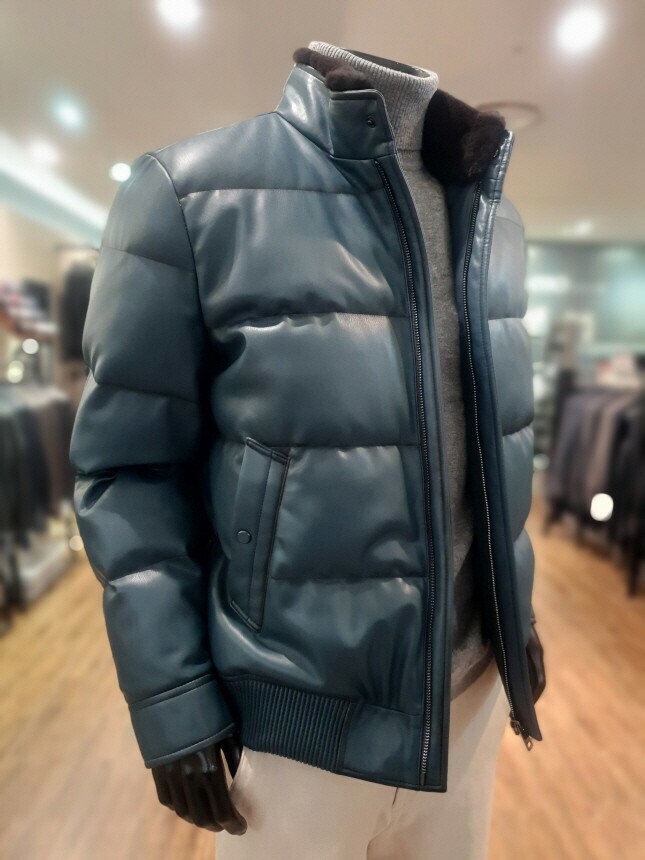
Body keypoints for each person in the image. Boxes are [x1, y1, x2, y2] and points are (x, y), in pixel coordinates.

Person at [70, 41, 546, 860]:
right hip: (295, 732)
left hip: (467, 701)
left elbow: (493, 449)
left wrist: (516, 616)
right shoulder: (188, 193)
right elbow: (127, 470)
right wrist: (173, 695)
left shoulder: (494, 219)